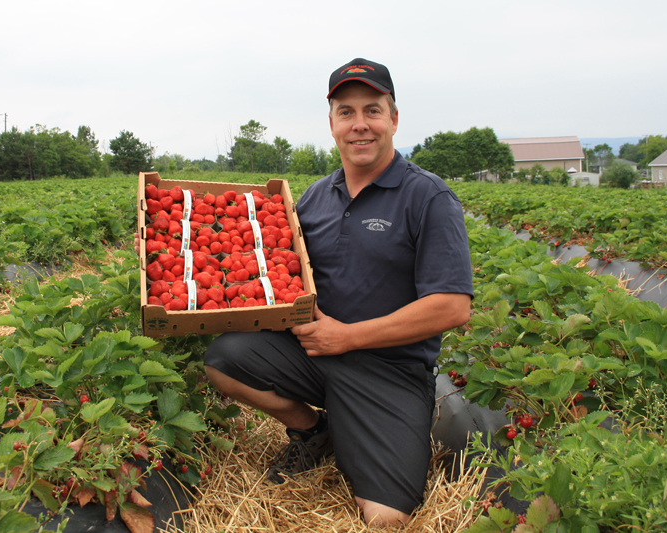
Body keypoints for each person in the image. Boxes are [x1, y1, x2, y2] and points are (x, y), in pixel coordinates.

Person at [139, 58, 474, 526]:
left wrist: (350, 337)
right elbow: (275, 272)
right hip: (315, 355)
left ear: (394, 119)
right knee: (223, 361)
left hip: (391, 370)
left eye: (373, 111)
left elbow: (453, 307)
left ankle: (364, 431)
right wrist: (178, 250)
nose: (360, 125)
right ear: (332, 123)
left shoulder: (427, 197)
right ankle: (314, 430)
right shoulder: (314, 198)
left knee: (386, 518)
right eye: (346, 112)